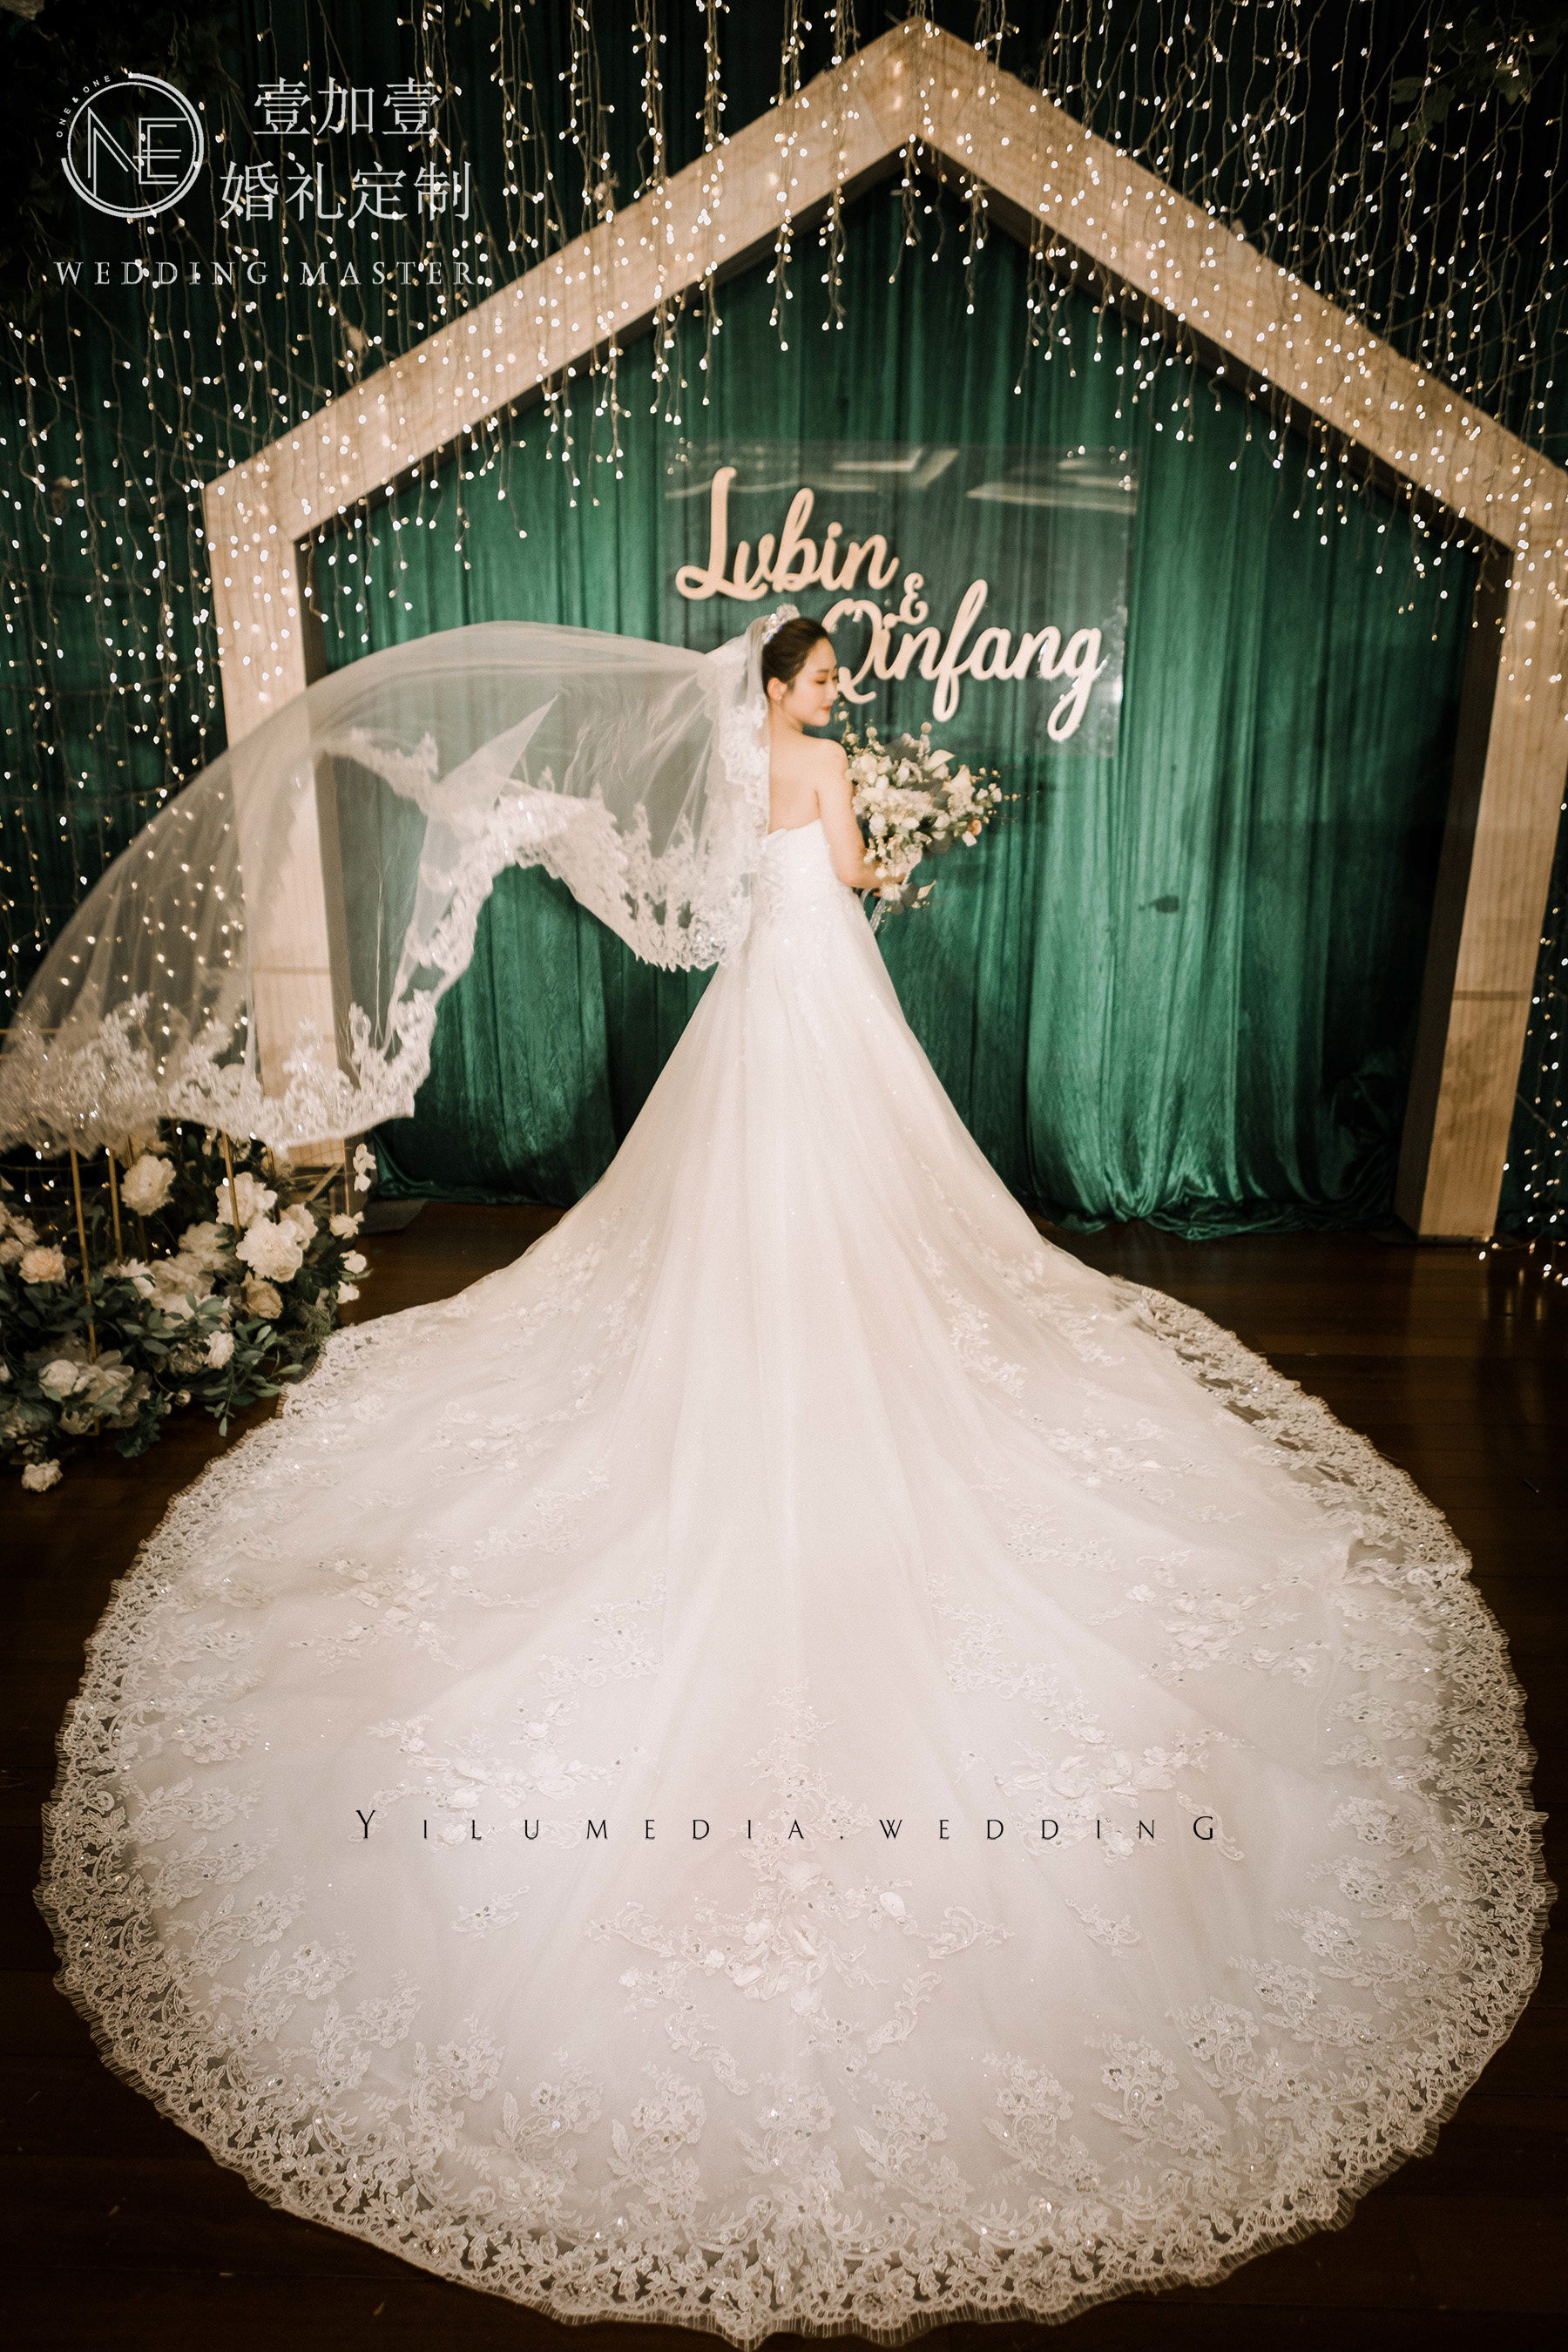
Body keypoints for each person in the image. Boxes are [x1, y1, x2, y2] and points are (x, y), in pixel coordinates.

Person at [38, 609, 1547, 2343]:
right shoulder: (816, 766)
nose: (836, 698)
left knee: (745, 1172)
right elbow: (837, 872)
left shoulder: (723, 760)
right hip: (827, 991)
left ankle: (769, 1296)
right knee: (868, 1170)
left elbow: (719, 889)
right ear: (784, 684)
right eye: (824, 678)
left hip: (759, 1003)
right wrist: (881, 857)